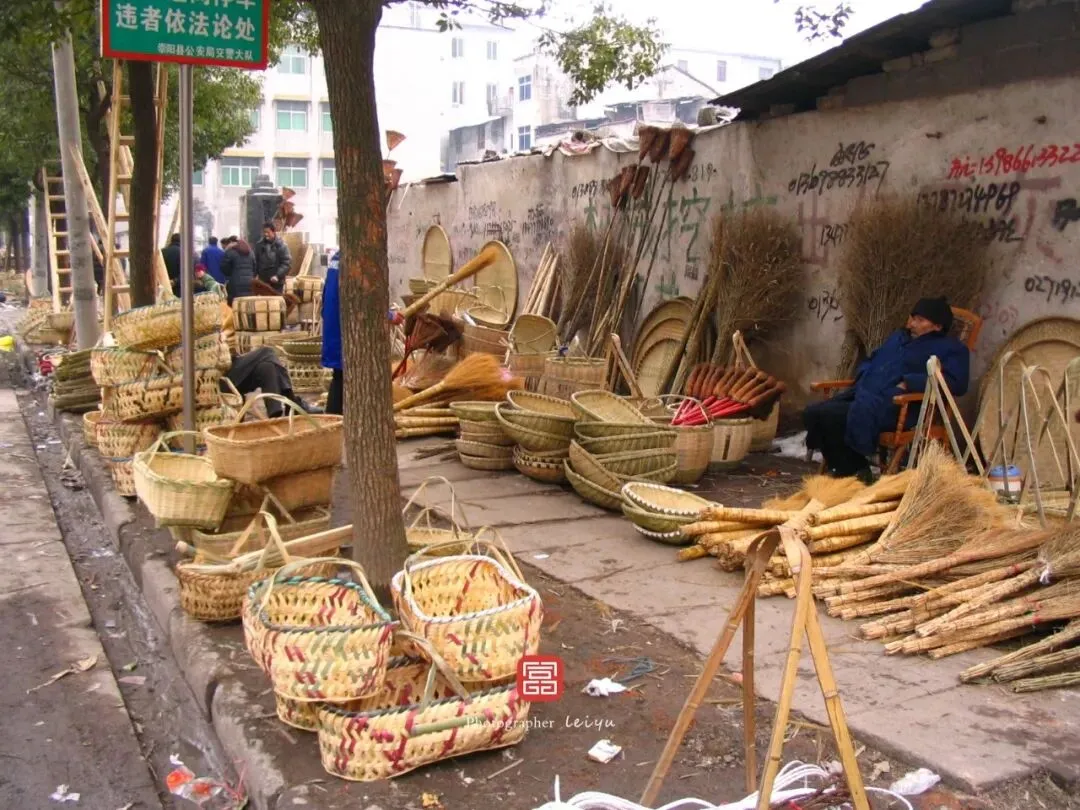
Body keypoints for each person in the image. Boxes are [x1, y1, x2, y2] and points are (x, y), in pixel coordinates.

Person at [803, 296, 970, 479]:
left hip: (897, 405)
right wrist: (866, 373)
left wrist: (910, 382)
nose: (912, 324)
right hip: (864, 396)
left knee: (832, 416)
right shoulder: (899, 337)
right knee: (815, 412)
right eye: (912, 318)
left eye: (920, 320)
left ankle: (855, 471)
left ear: (937, 326)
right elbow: (873, 358)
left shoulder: (951, 349)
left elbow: (957, 383)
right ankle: (848, 468)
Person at [223, 347, 322, 417]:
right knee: (267, 352)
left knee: (267, 367)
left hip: (231, 366)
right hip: (221, 374)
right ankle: (292, 402)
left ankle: (275, 416)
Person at [321, 249, 342, 415]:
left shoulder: (336, 259)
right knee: (343, 377)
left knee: (339, 376)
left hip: (332, 323)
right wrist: (388, 315)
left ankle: (332, 417)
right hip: (342, 328)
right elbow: (363, 299)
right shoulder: (354, 260)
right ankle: (333, 419)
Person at [254, 222, 291, 294]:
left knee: (275, 300)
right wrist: (254, 276)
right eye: (264, 232)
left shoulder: (282, 246)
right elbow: (255, 262)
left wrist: (277, 275)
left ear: (274, 232)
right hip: (263, 282)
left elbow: (286, 263)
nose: (266, 234)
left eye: (268, 232)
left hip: (277, 283)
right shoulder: (259, 245)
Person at [219, 235, 255, 304]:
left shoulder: (230, 252)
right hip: (250, 283)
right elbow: (255, 267)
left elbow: (224, 268)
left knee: (235, 305)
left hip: (235, 284)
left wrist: (231, 274)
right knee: (248, 305)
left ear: (231, 243)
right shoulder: (251, 252)